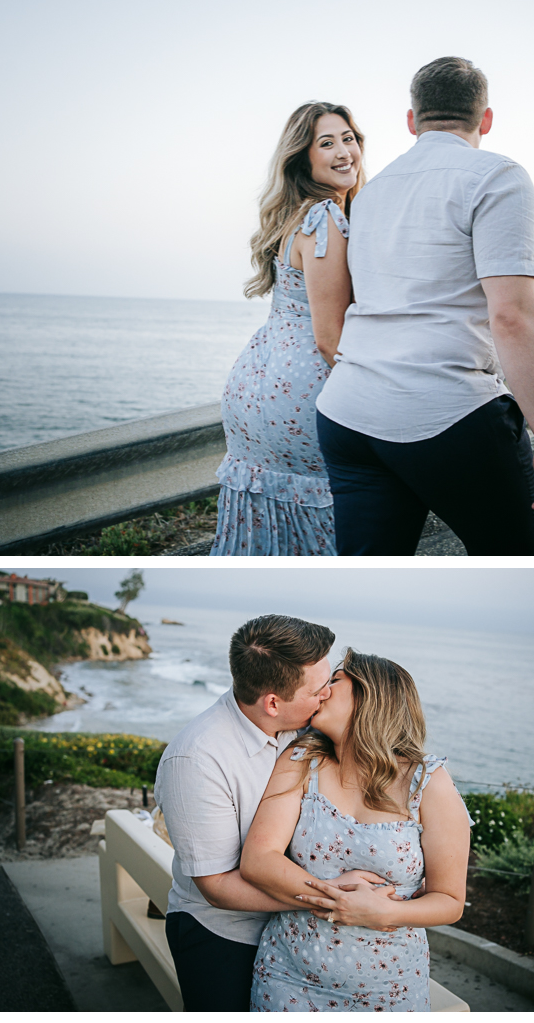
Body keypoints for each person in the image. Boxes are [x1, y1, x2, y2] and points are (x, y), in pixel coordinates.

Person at [315, 57, 534, 556]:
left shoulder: (369, 195)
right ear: (486, 119)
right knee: (509, 562)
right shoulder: (497, 175)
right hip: (445, 411)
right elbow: (512, 316)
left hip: (347, 414)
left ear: (412, 121)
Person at [154, 615, 394, 1013]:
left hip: (297, 938)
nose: (327, 695)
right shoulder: (196, 760)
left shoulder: (304, 728)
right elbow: (216, 885)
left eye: (331, 680)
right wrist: (330, 898)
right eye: (319, 689)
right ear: (273, 703)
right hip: (225, 939)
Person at [241, 649, 472, 1012]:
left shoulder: (429, 783)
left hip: (389, 992)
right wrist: (336, 895)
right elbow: (258, 859)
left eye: (334, 680)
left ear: (370, 695)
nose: (322, 689)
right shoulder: (302, 761)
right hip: (287, 978)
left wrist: (385, 914)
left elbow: (449, 901)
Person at [210, 102, 367, 556]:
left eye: (349, 138)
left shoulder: (292, 216)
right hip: (302, 400)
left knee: (263, 536)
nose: (344, 152)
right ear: (303, 158)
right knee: (325, 536)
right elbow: (329, 339)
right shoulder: (325, 219)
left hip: (253, 394)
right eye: (326, 143)